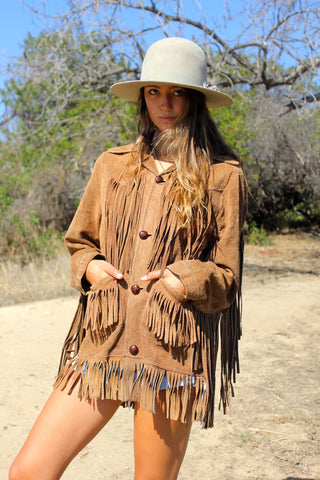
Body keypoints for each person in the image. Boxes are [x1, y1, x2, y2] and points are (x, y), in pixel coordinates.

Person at [9, 37, 247, 480]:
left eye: (177, 92)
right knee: (28, 471)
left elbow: (227, 277)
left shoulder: (222, 176)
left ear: (196, 99)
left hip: (170, 350)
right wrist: (90, 267)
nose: (165, 103)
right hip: (102, 340)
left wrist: (182, 279)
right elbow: (80, 242)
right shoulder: (112, 166)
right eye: (154, 91)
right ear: (142, 97)